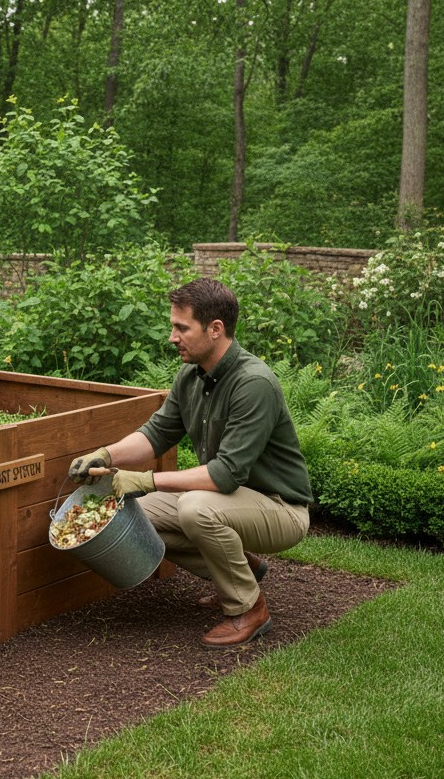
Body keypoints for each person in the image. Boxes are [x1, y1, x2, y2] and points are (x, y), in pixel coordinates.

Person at [68, 278, 312, 648]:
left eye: (182, 327)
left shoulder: (253, 383)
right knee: (130, 515)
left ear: (216, 329)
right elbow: (155, 434)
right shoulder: (191, 376)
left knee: (196, 508)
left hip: (281, 509)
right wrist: (105, 454)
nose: (172, 336)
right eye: (173, 326)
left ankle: (249, 609)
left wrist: (146, 480)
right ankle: (244, 570)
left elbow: (225, 475)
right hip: (231, 501)